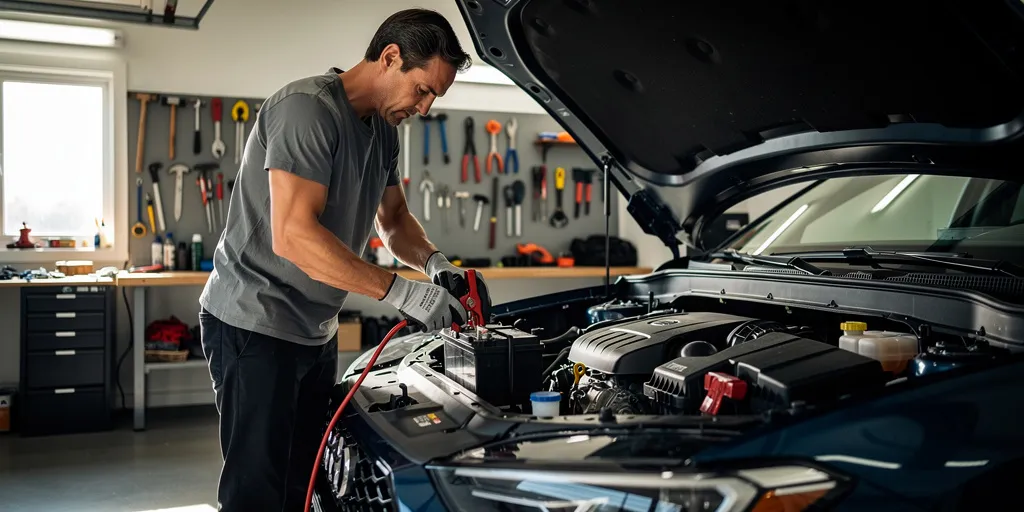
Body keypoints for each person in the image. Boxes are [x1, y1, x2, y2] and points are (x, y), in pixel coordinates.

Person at [197, 9, 485, 511]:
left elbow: (393, 221)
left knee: (305, 484)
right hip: (255, 323)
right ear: (390, 57)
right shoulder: (306, 110)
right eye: (422, 90)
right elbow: (294, 237)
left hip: (313, 329)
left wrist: (435, 264)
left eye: (435, 97)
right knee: (256, 493)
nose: (425, 106)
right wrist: (401, 291)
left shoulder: (383, 132)